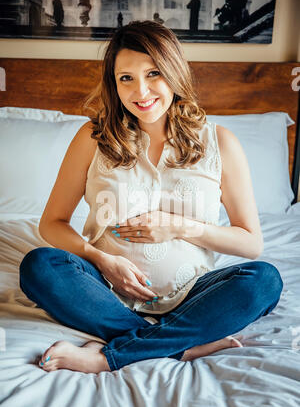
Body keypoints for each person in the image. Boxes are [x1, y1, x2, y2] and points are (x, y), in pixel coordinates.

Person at [19, 20, 283, 374]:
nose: (140, 91)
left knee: (264, 280)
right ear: (114, 84)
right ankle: (181, 347)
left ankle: (107, 357)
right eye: (125, 78)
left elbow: (251, 243)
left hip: (193, 294)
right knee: (40, 266)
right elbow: (52, 223)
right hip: (103, 288)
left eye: (153, 73)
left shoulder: (221, 143)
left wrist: (179, 227)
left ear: (174, 72)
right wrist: (100, 259)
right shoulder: (92, 138)